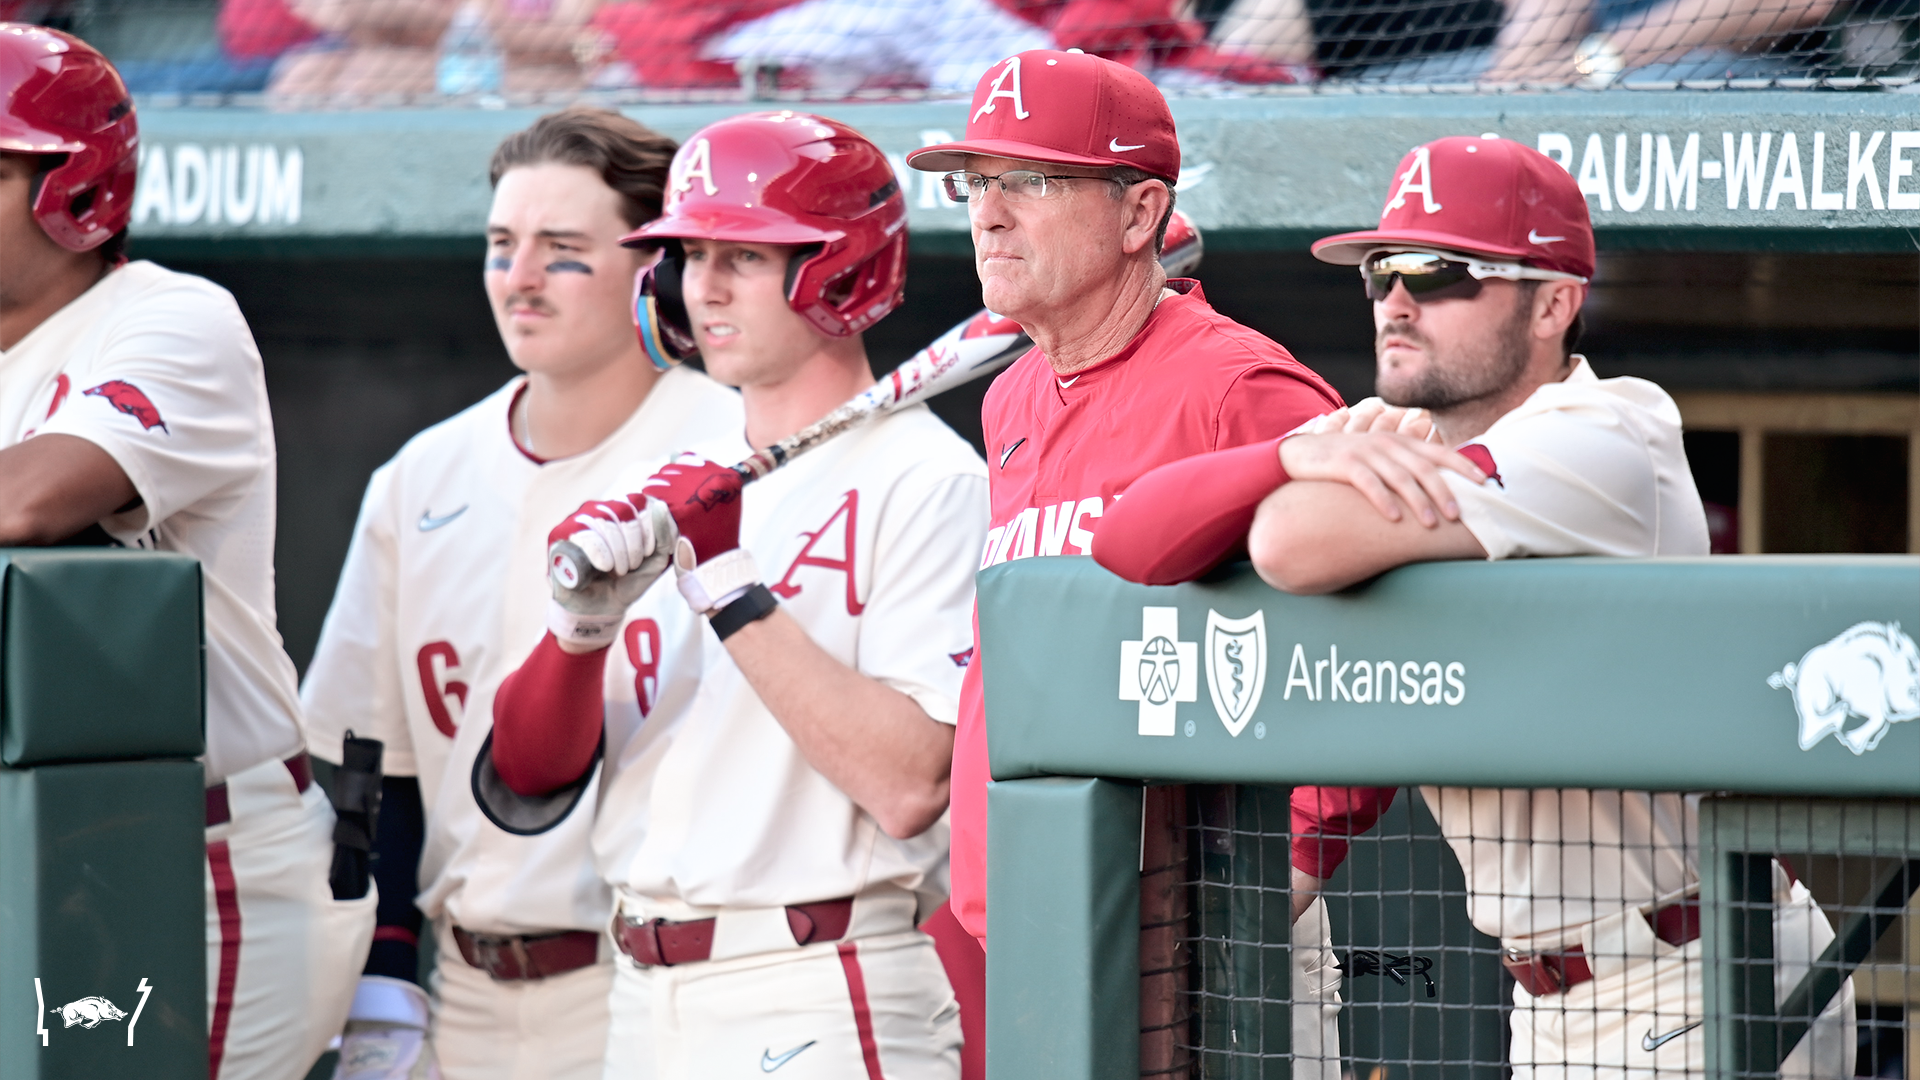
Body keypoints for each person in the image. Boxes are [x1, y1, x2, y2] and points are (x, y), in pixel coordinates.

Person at [1091, 134, 1856, 1080]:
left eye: (1442, 272)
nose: (1397, 301)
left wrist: (1299, 479)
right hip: (1546, 995)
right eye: (1380, 273)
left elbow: (1287, 544)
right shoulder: (1389, 434)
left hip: (1697, 966)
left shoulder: (1611, 433)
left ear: (1555, 304)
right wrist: (1284, 455)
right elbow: (1127, 540)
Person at [482, 110, 987, 1079]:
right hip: (636, 992)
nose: (700, 288)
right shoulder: (668, 476)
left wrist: (725, 582)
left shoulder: (927, 480)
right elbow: (526, 781)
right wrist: (578, 630)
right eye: (689, 254)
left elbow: (911, 785)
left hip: (817, 979)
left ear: (837, 270)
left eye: (744, 258)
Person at [901, 47, 1347, 1075]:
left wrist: (1286, 866)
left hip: (1195, 947)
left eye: (1032, 181)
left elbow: (1369, 631)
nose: (988, 213)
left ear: (1141, 215)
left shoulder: (1240, 386)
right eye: (978, 184)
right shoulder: (1011, 396)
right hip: (1032, 932)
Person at [301, 107, 742, 1080]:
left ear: (654, 271)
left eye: (562, 249)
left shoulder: (734, 453)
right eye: (503, 244)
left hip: (653, 987)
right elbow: (377, 774)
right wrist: (385, 977)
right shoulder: (421, 475)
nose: (521, 277)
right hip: (456, 998)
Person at [0, 23, 372, 1080]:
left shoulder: (171, 318)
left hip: (197, 853)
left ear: (69, 187)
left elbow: (27, 501)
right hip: (44, 845)